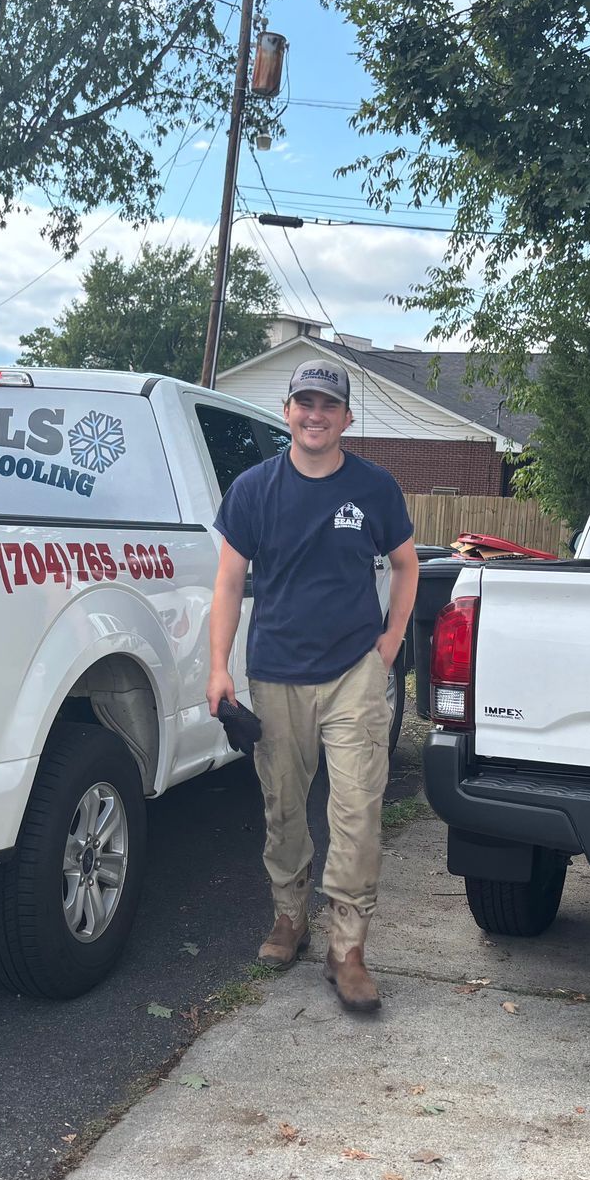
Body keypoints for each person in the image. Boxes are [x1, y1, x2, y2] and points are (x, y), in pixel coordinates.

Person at [206, 359, 420, 1013]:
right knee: (284, 811)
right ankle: (290, 920)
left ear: (346, 418)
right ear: (289, 409)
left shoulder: (374, 488)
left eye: (328, 405)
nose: (315, 415)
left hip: (355, 673)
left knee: (356, 814)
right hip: (276, 674)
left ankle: (348, 950)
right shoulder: (253, 489)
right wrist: (219, 666)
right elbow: (229, 582)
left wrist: (389, 645)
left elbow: (408, 566)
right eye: (305, 402)